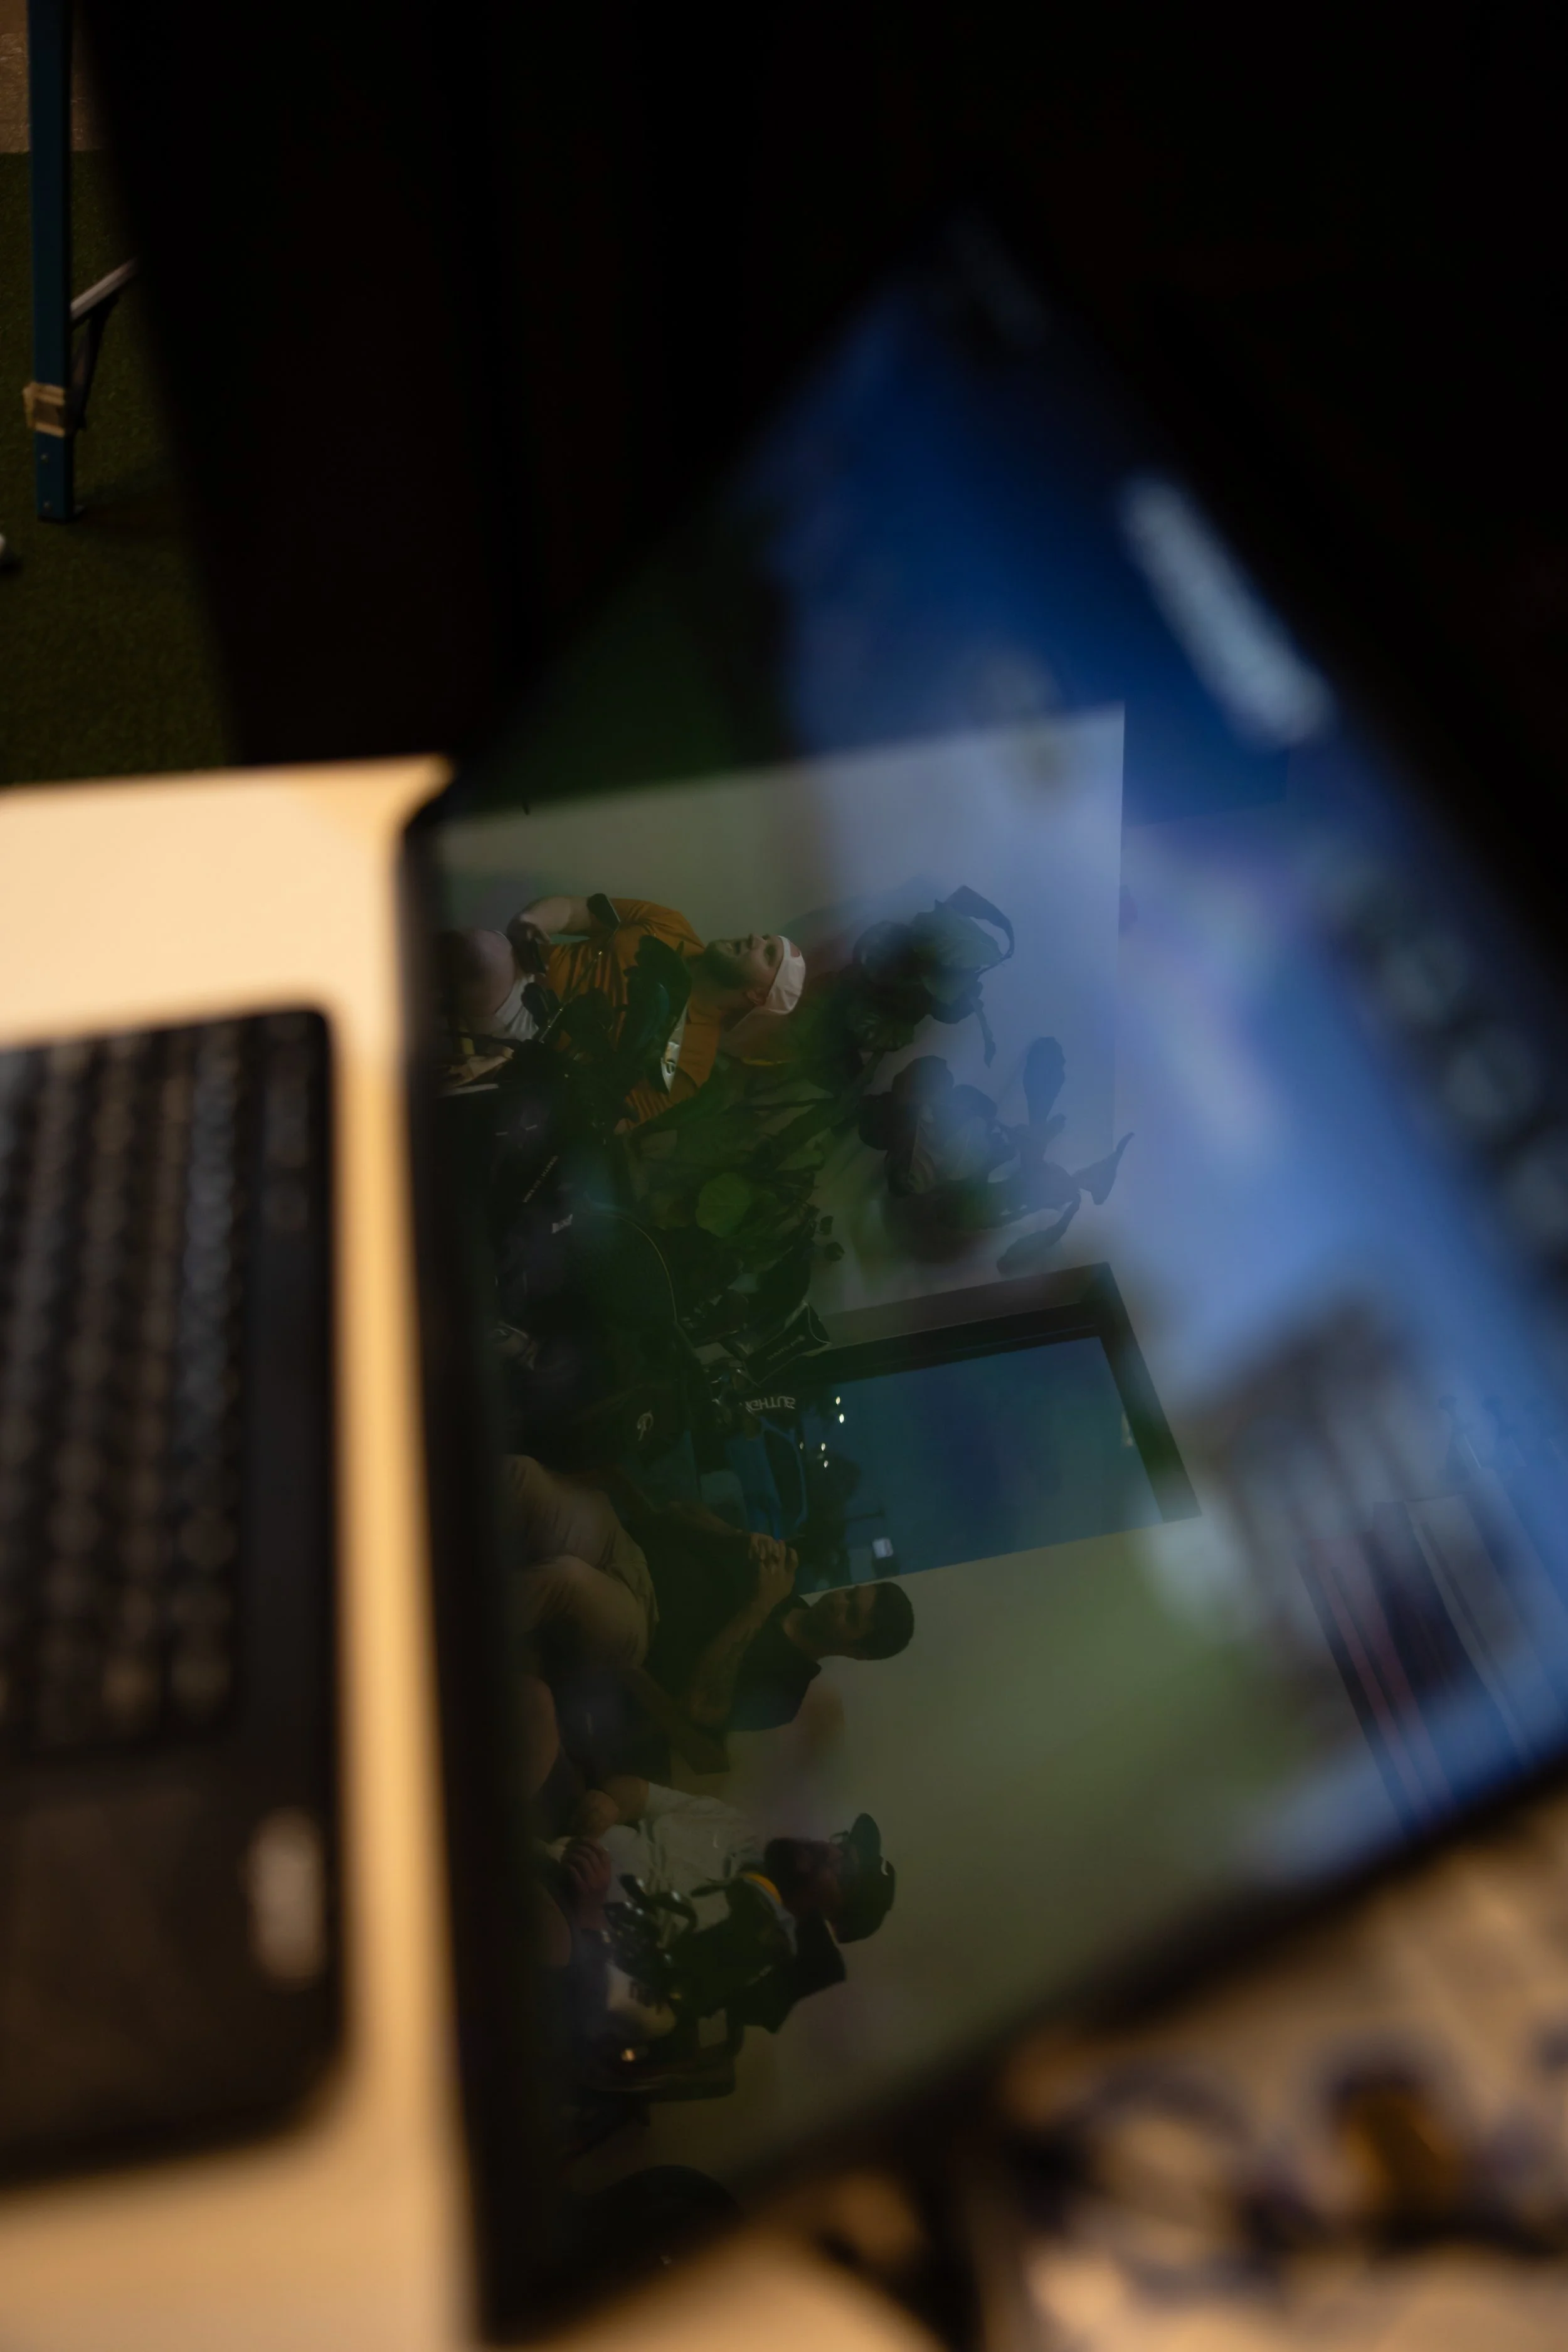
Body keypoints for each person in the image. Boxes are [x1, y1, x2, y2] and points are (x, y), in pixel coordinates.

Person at [444, 894, 807, 1126]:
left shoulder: (693, 1061)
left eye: (768, 953)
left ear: (758, 996)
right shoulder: (671, 925)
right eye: (765, 937)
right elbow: (576, 911)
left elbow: (609, 1121)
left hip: (535, 1064)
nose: (755, 940)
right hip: (521, 983)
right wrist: (533, 923)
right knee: (483, 951)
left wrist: (515, 1074)